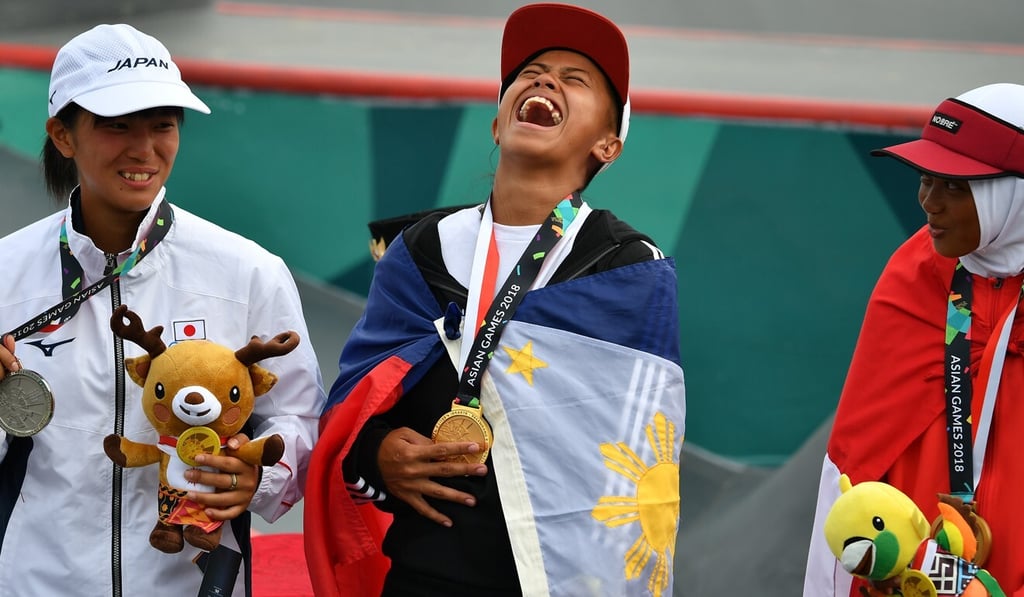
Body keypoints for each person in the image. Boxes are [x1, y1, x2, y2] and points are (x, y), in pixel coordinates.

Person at [304, 3, 686, 596]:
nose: (544, 80)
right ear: (496, 124)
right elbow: (354, 406)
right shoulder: (419, 250)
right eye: (530, 72)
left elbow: (639, 471)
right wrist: (377, 453)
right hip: (420, 577)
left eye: (575, 79)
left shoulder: (631, 269)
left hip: (551, 584)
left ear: (608, 145)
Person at [0, 24, 325, 596]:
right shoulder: (8, 272)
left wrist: (258, 476)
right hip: (36, 579)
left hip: (192, 582)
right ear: (63, 135)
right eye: (116, 125)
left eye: (162, 124)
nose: (144, 148)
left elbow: (299, 419)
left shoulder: (248, 271)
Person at [803, 82, 1024, 596]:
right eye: (926, 178)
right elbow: (856, 461)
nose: (928, 202)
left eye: (955, 186)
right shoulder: (916, 272)